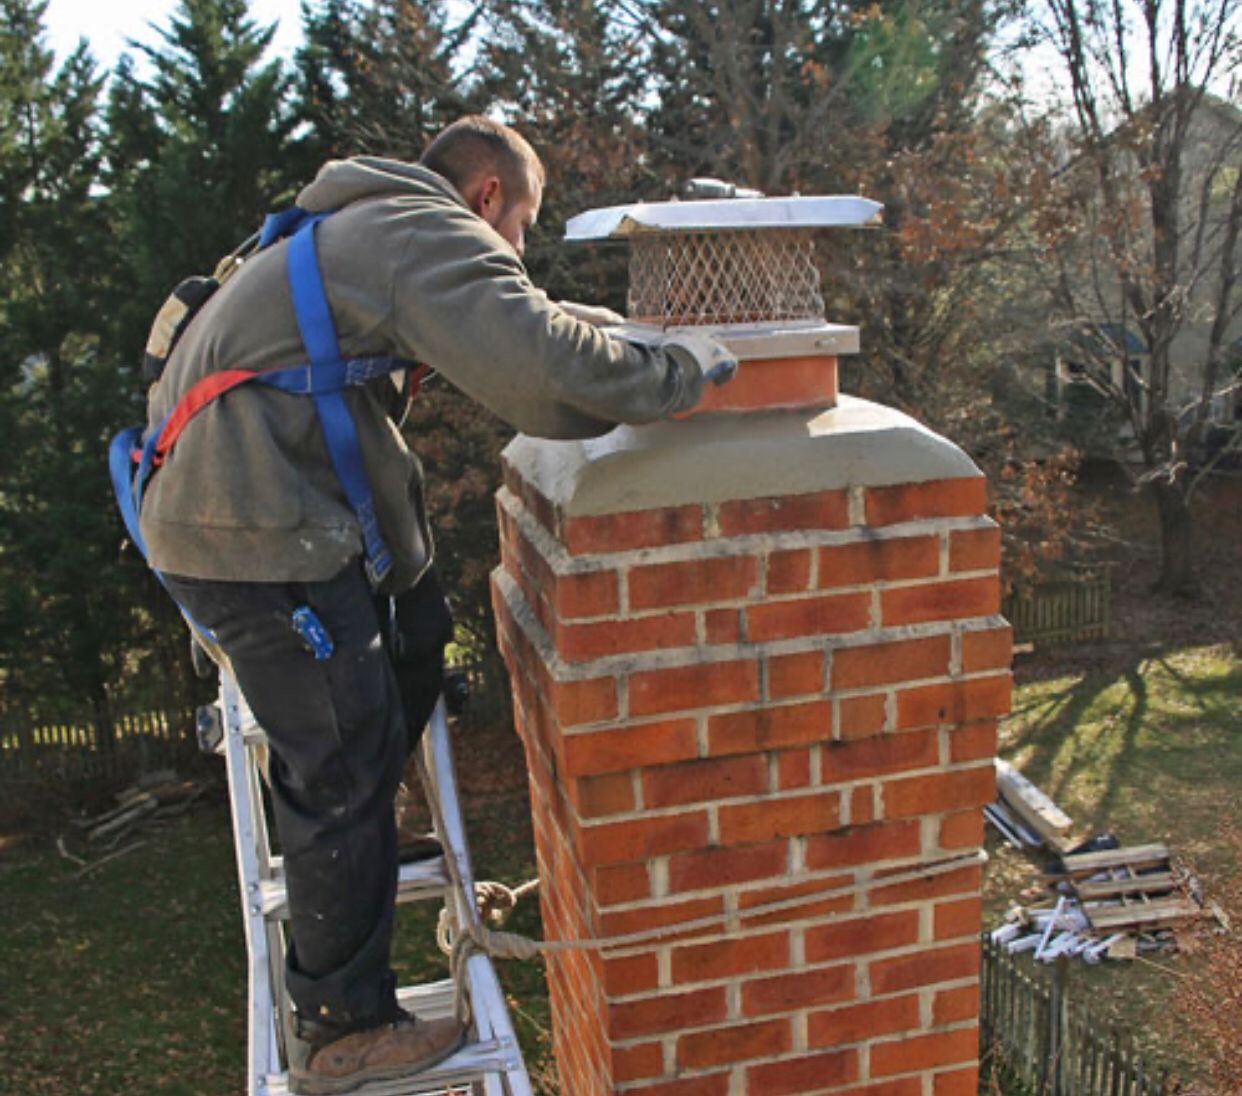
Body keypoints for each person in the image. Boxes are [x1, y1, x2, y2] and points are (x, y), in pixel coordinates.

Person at [137, 116, 732, 1094]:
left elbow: (524, 312)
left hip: (263, 509)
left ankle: (379, 817)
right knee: (338, 750)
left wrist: (624, 333)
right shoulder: (417, 231)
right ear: (488, 197)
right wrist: (677, 374)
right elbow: (537, 364)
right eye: (522, 228)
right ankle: (340, 1025)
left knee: (418, 629)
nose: (516, 253)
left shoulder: (364, 224)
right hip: (248, 534)